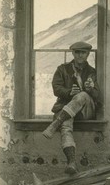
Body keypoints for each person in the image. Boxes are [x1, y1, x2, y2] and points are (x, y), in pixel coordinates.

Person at [42, 41, 101, 175]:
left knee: (82, 95)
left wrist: (91, 89)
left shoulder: (92, 72)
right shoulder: (62, 69)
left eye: (83, 52)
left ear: (88, 54)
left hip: (85, 110)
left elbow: (98, 96)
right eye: (77, 52)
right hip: (67, 110)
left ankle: (55, 123)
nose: (80, 55)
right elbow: (56, 89)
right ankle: (72, 162)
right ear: (73, 53)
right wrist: (69, 92)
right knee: (65, 126)